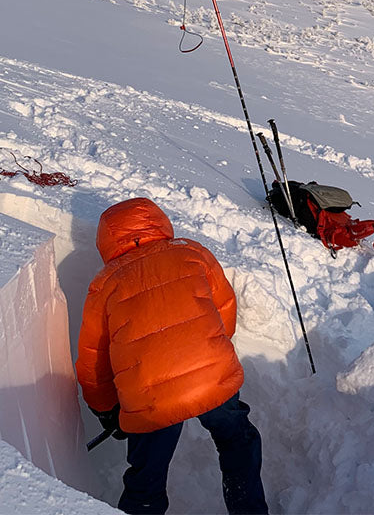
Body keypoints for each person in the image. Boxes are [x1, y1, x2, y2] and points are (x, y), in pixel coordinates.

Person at [75, 197, 268, 515]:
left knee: (145, 477)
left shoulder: (104, 285)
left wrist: (107, 411)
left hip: (148, 398)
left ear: (106, 242)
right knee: (237, 440)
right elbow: (224, 308)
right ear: (159, 223)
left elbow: (93, 362)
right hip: (211, 377)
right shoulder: (192, 252)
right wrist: (209, 350)